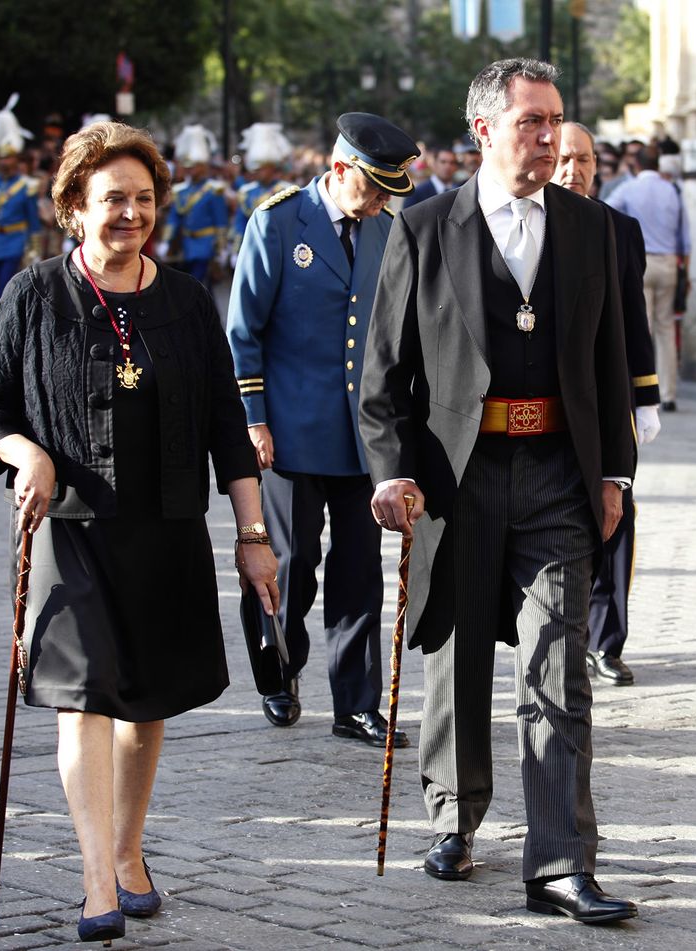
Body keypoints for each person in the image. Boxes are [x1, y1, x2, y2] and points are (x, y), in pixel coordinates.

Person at [0, 121, 279, 945]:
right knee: (84, 699)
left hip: (166, 528)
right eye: (112, 199)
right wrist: (23, 450)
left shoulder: (183, 300)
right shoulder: (32, 295)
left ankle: (130, 849)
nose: (130, 213)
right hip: (69, 530)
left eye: (143, 198)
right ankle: (97, 876)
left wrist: (252, 534)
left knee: (145, 705)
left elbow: (223, 421)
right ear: (73, 206)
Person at [360, 57, 638, 925]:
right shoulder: (424, 229)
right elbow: (383, 377)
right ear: (483, 130)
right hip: (457, 480)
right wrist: (394, 470)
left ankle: (560, 860)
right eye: (531, 121)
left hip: (559, 475)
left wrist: (615, 473)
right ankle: (455, 813)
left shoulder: (591, 228)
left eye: (555, 120)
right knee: (456, 654)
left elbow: (611, 363)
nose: (550, 136)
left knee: (559, 669)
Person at [226, 112, 418, 745]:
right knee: (292, 560)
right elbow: (244, 332)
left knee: (361, 569)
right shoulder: (279, 223)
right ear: (339, 170)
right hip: (291, 432)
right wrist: (253, 418)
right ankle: (279, 670)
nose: (383, 200)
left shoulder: (390, 232)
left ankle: (356, 703)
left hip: (365, 440)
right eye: (374, 186)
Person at [552, 120, 662, 687]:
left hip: (608, 395)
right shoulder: (531, 221)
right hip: (551, 402)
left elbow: (632, 319)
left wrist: (646, 395)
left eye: (585, 160)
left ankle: (606, 639)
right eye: (566, 158)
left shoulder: (621, 229)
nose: (575, 171)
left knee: (615, 511)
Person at [607, 147, 688, 412]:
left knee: (643, 327)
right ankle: (669, 393)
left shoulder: (630, 189)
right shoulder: (673, 190)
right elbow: (684, 234)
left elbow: (606, 210)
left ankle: (641, 389)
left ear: (636, 164)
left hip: (640, 261)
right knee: (666, 329)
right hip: (668, 261)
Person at [0, 95, 43, 312]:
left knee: (4, 286)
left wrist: (33, 249)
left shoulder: (26, 186)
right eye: (1, 158)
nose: (5, 162)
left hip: (15, 240)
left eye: (9, 158)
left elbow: (33, 220)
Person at [160, 125, 229, 295]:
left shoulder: (214, 190)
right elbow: (174, 219)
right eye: (187, 166)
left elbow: (220, 221)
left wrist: (221, 248)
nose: (189, 169)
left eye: (193, 166)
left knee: (200, 288)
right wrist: (167, 241)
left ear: (202, 165)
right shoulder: (180, 191)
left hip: (206, 245)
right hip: (185, 245)